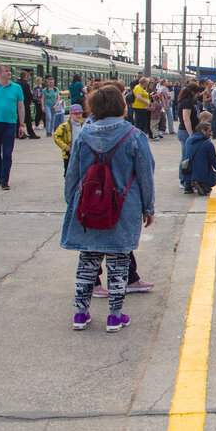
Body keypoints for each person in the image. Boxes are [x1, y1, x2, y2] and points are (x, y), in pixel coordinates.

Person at [61, 84, 155, 333]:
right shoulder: (134, 136)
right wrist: (148, 207)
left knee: (87, 260)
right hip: (122, 209)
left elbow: (72, 174)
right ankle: (114, 317)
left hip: (89, 208)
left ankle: (80, 314)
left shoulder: (83, 135)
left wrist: (73, 202)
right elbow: (146, 175)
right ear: (121, 107)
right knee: (118, 263)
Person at [184, 119, 216, 195]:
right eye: (209, 131)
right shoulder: (208, 144)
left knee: (194, 168)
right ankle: (204, 185)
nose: (211, 133)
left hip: (187, 172)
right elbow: (214, 161)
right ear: (203, 131)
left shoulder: (189, 140)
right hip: (201, 173)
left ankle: (188, 185)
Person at [175, 83, 201, 191]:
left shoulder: (186, 101)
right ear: (192, 92)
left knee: (187, 156)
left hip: (186, 132)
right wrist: (191, 135)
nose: (198, 95)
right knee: (186, 157)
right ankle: (183, 180)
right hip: (186, 132)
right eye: (197, 93)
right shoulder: (186, 102)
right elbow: (186, 119)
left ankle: (187, 180)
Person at [53, 103, 84, 175]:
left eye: (79, 113)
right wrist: (65, 146)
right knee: (68, 173)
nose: (78, 115)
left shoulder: (84, 125)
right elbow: (56, 136)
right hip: (69, 154)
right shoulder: (64, 126)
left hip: (81, 153)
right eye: (75, 114)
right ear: (70, 115)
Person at [16, 69, 41, 139]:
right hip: (25, 103)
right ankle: (31, 133)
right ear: (25, 76)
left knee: (19, 119)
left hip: (17, 103)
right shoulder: (26, 84)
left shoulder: (16, 83)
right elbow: (29, 94)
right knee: (28, 119)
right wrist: (32, 99)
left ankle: (18, 133)